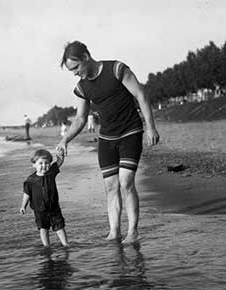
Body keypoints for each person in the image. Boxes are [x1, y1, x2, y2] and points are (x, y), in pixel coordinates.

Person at [56, 41, 160, 244]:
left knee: (126, 182)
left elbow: (141, 94)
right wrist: (64, 140)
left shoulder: (116, 69)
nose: (75, 73)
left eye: (76, 68)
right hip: (106, 138)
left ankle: (133, 232)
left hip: (130, 131)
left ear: (86, 57)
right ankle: (114, 232)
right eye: (71, 71)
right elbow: (80, 119)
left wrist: (151, 127)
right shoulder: (82, 87)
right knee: (111, 186)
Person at [20, 148, 68, 247]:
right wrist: (23, 206)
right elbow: (27, 193)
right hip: (39, 210)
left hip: (54, 207)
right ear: (34, 164)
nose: (44, 166)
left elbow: (59, 162)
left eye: (46, 163)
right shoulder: (31, 180)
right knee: (43, 228)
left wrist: (60, 155)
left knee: (59, 226)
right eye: (40, 163)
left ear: (50, 164)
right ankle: (47, 246)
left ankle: (65, 244)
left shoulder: (51, 172)